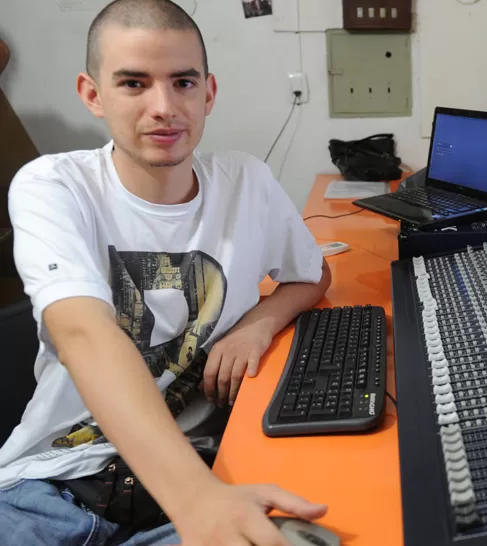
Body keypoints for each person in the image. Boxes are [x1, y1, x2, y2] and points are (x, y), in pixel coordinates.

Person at [0, 0, 331, 544]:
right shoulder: (53, 187)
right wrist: (198, 501)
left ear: (209, 92)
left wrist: (258, 322)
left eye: (182, 82)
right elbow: (82, 332)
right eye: (133, 83)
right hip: (54, 489)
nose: (164, 107)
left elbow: (311, 274)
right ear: (92, 95)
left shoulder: (247, 183)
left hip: (183, 492)